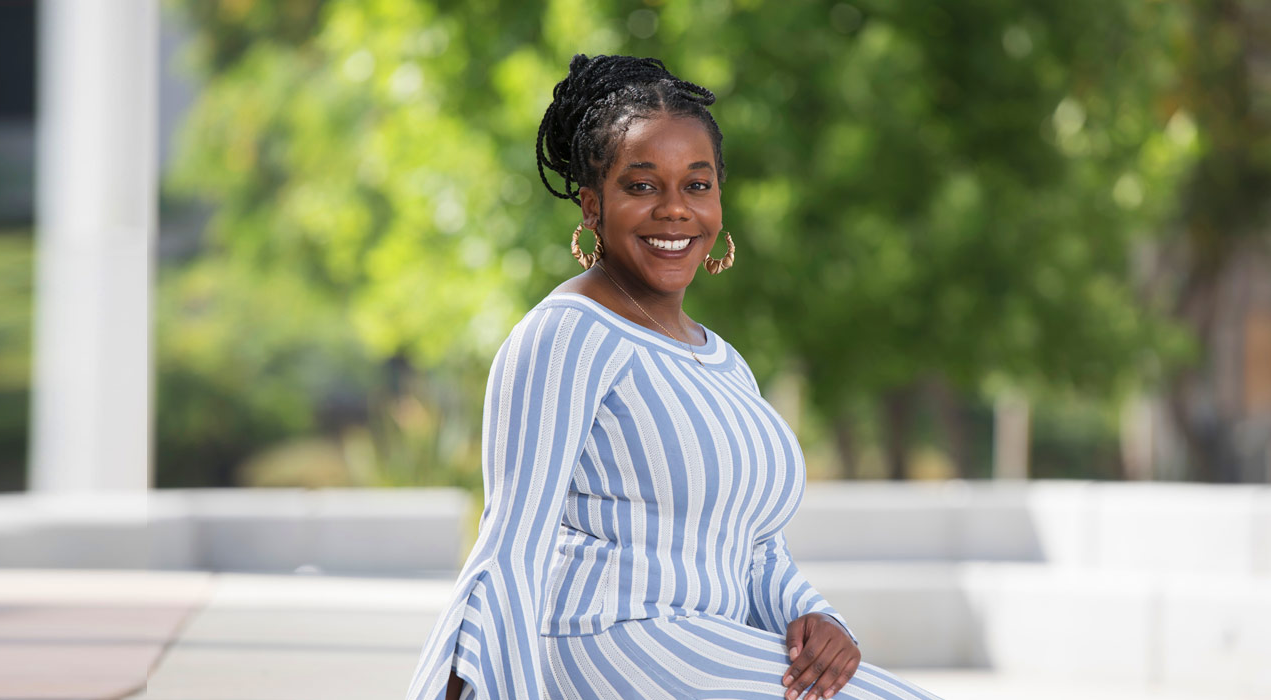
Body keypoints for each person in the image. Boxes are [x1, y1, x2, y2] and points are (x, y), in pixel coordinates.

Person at [404, 54, 943, 700]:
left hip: (704, 641)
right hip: (608, 639)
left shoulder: (725, 362)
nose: (674, 210)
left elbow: (754, 547)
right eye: (641, 186)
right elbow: (512, 546)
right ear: (592, 205)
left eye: (697, 185)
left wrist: (816, 617)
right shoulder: (567, 334)